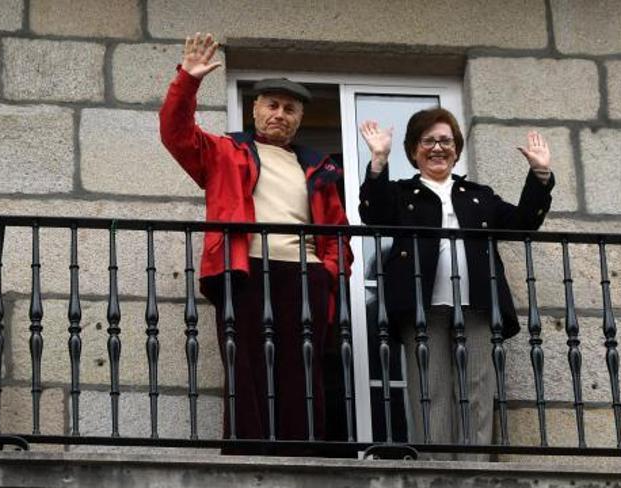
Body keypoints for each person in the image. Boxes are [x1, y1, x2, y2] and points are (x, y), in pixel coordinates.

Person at [160, 32, 351, 444]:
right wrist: (188, 80)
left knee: (302, 370)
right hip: (245, 270)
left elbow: (337, 230)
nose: (279, 114)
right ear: (255, 109)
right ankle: (250, 454)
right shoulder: (226, 151)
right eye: (272, 105)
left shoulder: (318, 166)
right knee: (245, 368)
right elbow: (176, 133)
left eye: (289, 108)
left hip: (305, 274)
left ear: (299, 118)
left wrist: (329, 272)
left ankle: (302, 458)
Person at [358, 108, 553, 452]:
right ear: (414, 150)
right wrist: (378, 162)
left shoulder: (478, 194)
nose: (437, 148)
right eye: (428, 140)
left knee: (479, 389)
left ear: (457, 149)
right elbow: (374, 215)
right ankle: (436, 468)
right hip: (423, 309)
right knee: (430, 392)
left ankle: (474, 470)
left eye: (445, 141)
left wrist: (539, 174)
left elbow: (523, 222)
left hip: (477, 307)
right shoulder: (403, 194)